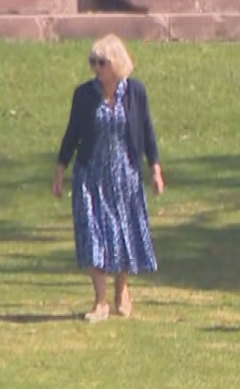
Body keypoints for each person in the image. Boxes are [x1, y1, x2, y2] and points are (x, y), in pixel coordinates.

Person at [52, 34, 164, 323]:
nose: (96, 68)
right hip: (91, 174)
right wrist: (60, 170)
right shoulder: (84, 94)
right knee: (92, 234)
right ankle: (100, 301)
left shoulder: (135, 91)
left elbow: (147, 131)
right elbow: (72, 133)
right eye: (93, 62)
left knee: (124, 234)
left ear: (116, 63)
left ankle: (122, 290)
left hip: (124, 175)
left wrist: (155, 169)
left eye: (101, 62)